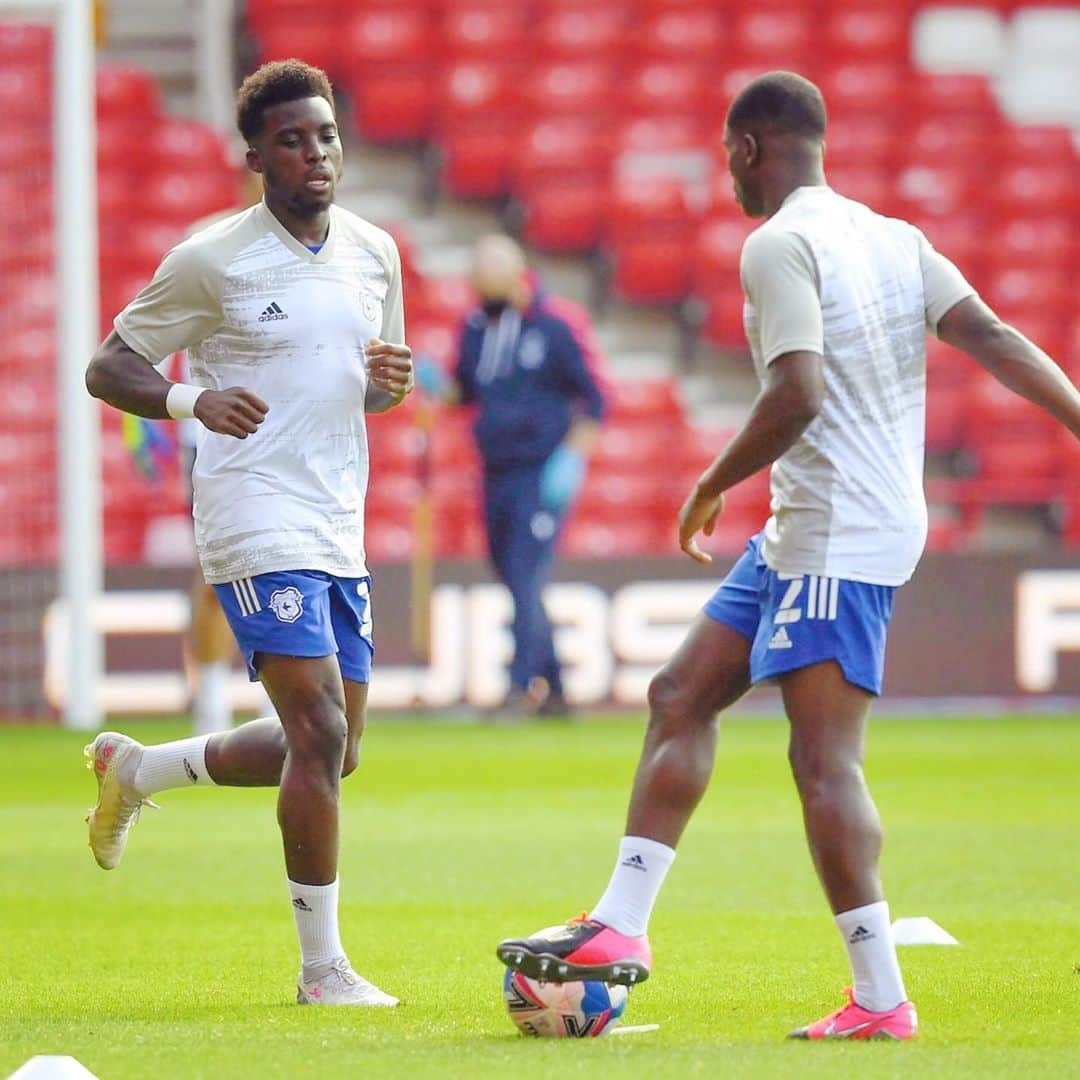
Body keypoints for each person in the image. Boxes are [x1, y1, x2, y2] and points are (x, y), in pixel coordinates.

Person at [496, 71, 1080, 1040]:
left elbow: (798, 394)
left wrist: (709, 481)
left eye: (728, 154)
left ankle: (883, 1000)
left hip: (839, 531)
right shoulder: (895, 238)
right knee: (680, 695)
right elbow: (993, 335)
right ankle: (622, 925)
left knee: (822, 760)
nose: (727, 170)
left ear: (748, 149)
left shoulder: (777, 244)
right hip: (814, 525)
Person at [84, 59, 414, 1007]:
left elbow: (373, 389)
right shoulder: (213, 259)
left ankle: (143, 769)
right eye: (293, 140)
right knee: (315, 727)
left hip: (334, 515)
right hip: (251, 509)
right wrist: (192, 398)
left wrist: (387, 386)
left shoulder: (374, 251)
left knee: (336, 747)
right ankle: (324, 972)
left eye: (327, 136)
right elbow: (109, 367)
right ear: (255, 157)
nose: (316, 154)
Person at [417, 234, 607, 717]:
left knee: (525, 573)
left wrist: (572, 459)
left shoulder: (554, 328)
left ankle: (520, 687)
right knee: (509, 573)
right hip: (495, 471)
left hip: (540, 471)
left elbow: (595, 400)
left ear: (512, 273)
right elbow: (467, 392)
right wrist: (438, 385)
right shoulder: (476, 328)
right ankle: (558, 690)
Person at [126, 167, 268, 736]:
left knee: (281, 570)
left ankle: (275, 698)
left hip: (286, 439)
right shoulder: (206, 243)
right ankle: (210, 698)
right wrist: (145, 420)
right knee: (218, 573)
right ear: (248, 176)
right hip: (212, 439)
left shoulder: (317, 244)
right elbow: (153, 333)